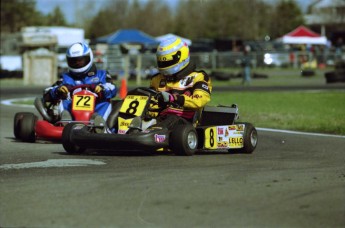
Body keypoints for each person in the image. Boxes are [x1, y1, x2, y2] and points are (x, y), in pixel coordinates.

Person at [148, 37, 212, 128]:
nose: (165, 66)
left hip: (186, 122)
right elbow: (152, 105)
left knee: (172, 119)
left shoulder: (199, 77)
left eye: (168, 62)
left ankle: (154, 131)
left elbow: (199, 101)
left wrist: (175, 98)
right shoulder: (157, 79)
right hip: (160, 119)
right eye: (163, 62)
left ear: (181, 57)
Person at [44, 42, 117, 122]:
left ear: (89, 57)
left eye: (80, 60)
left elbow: (112, 88)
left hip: (96, 106)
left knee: (105, 103)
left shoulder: (101, 74)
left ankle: (98, 123)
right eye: (74, 61)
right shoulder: (66, 77)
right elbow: (47, 92)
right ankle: (65, 121)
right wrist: (57, 91)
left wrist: (103, 89)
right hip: (71, 109)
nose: (77, 63)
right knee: (63, 102)